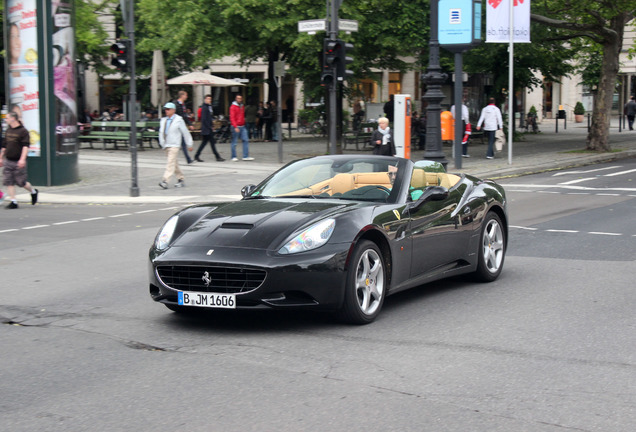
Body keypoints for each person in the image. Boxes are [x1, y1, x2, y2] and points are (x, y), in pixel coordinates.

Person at [1, 112, 38, 209]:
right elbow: (4, 145)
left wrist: (22, 159)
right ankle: (14, 201)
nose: (6, 120)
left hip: (18, 160)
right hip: (8, 160)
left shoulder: (23, 131)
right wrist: (1, 157)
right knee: (9, 181)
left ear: (13, 118)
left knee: (21, 182)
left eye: (7, 118)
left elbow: (25, 146)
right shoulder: (8, 130)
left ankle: (33, 192)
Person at [158, 102, 193, 189]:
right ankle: (181, 179)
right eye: (165, 109)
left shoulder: (178, 120)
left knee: (170, 163)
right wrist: (162, 143)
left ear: (173, 110)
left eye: (168, 109)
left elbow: (185, 132)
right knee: (174, 163)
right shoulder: (163, 120)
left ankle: (165, 181)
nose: (166, 111)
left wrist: (189, 143)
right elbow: (161, 132)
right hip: (166, 144)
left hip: (175, 144)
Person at [194, 95, 224, 162]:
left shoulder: (208, 107)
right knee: (211, 143)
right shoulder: (204, 107)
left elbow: (209, 118)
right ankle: (217, 156)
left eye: (210, 99)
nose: (209, 100)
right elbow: (204, 119)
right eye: (208, 99)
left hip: (207, 128)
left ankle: (197, 155)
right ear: (205, 99)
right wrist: (209, 127)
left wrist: (211, 125)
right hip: (207, 129)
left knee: (205, 143)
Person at [229, 94, 253, 161]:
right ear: (236, 99)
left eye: (240, 98)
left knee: (245, 140)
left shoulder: (242, 106)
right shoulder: (233, 107)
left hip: (242, 125)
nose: (239, 100)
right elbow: (232, 118)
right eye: (238, 98)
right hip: (236, 126)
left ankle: (245, 156)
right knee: (234, 142)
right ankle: (233, 156)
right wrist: (235, 126)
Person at [173, 90, 194, 164]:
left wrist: (189, 123)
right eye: (186, 95)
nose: (186, 97)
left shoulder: (182, 104)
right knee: (180, 143)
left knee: (182, 143)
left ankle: (188, 159)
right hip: (177, 126)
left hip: (180, 125)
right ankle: (187, 159)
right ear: (182, 96)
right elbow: (182, 115)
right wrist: (189, 124)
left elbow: (184, 115)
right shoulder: (176, 104)